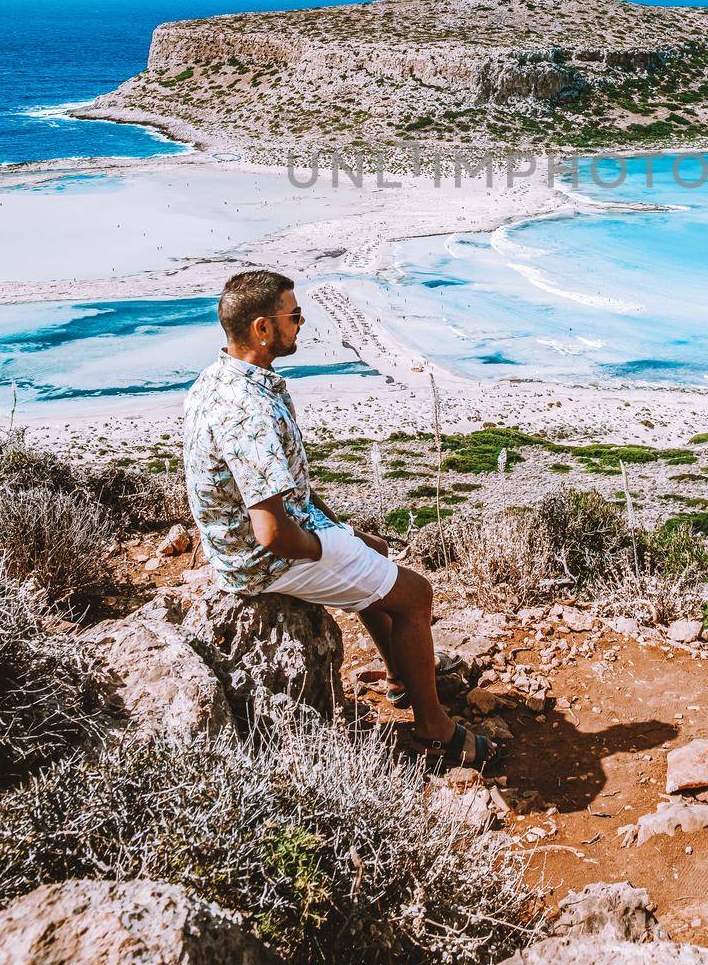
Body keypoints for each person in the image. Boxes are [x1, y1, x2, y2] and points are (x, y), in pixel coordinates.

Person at [182, 268, 501, 773]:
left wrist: (347, 535)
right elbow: (274, 533)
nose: (302, 323)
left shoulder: (219, 380)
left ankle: (402, 679)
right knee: (416, 596)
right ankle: (434, 731)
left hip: (248, 542)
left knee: (373, 556)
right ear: (263, 328)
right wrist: (333, 547)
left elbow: (287, 490)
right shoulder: (247, 410)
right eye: (294, 315)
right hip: (260, 557)